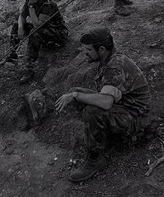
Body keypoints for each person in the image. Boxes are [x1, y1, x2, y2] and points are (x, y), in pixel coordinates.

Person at [55, 27, 150, 183]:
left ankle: (95, 159)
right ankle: (101, 134)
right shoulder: (108, 58)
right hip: (123, 107)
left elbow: (106, 103)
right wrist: (75, 95)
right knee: (77, 94)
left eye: (88, 49)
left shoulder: (114, 66)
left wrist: (76, 95)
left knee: (91, 109)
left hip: (136, 119)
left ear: (102, 49)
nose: (84, 53)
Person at [6, 0, 68, 84]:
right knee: (17, 24)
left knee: (34, 31)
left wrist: (31, 7)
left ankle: (30, 69)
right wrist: (21, 28)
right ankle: (12, 53)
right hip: (43, 29)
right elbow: (22, 16)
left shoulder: (48, 4)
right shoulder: (29, 0)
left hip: (57, 33)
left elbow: (37, 25)